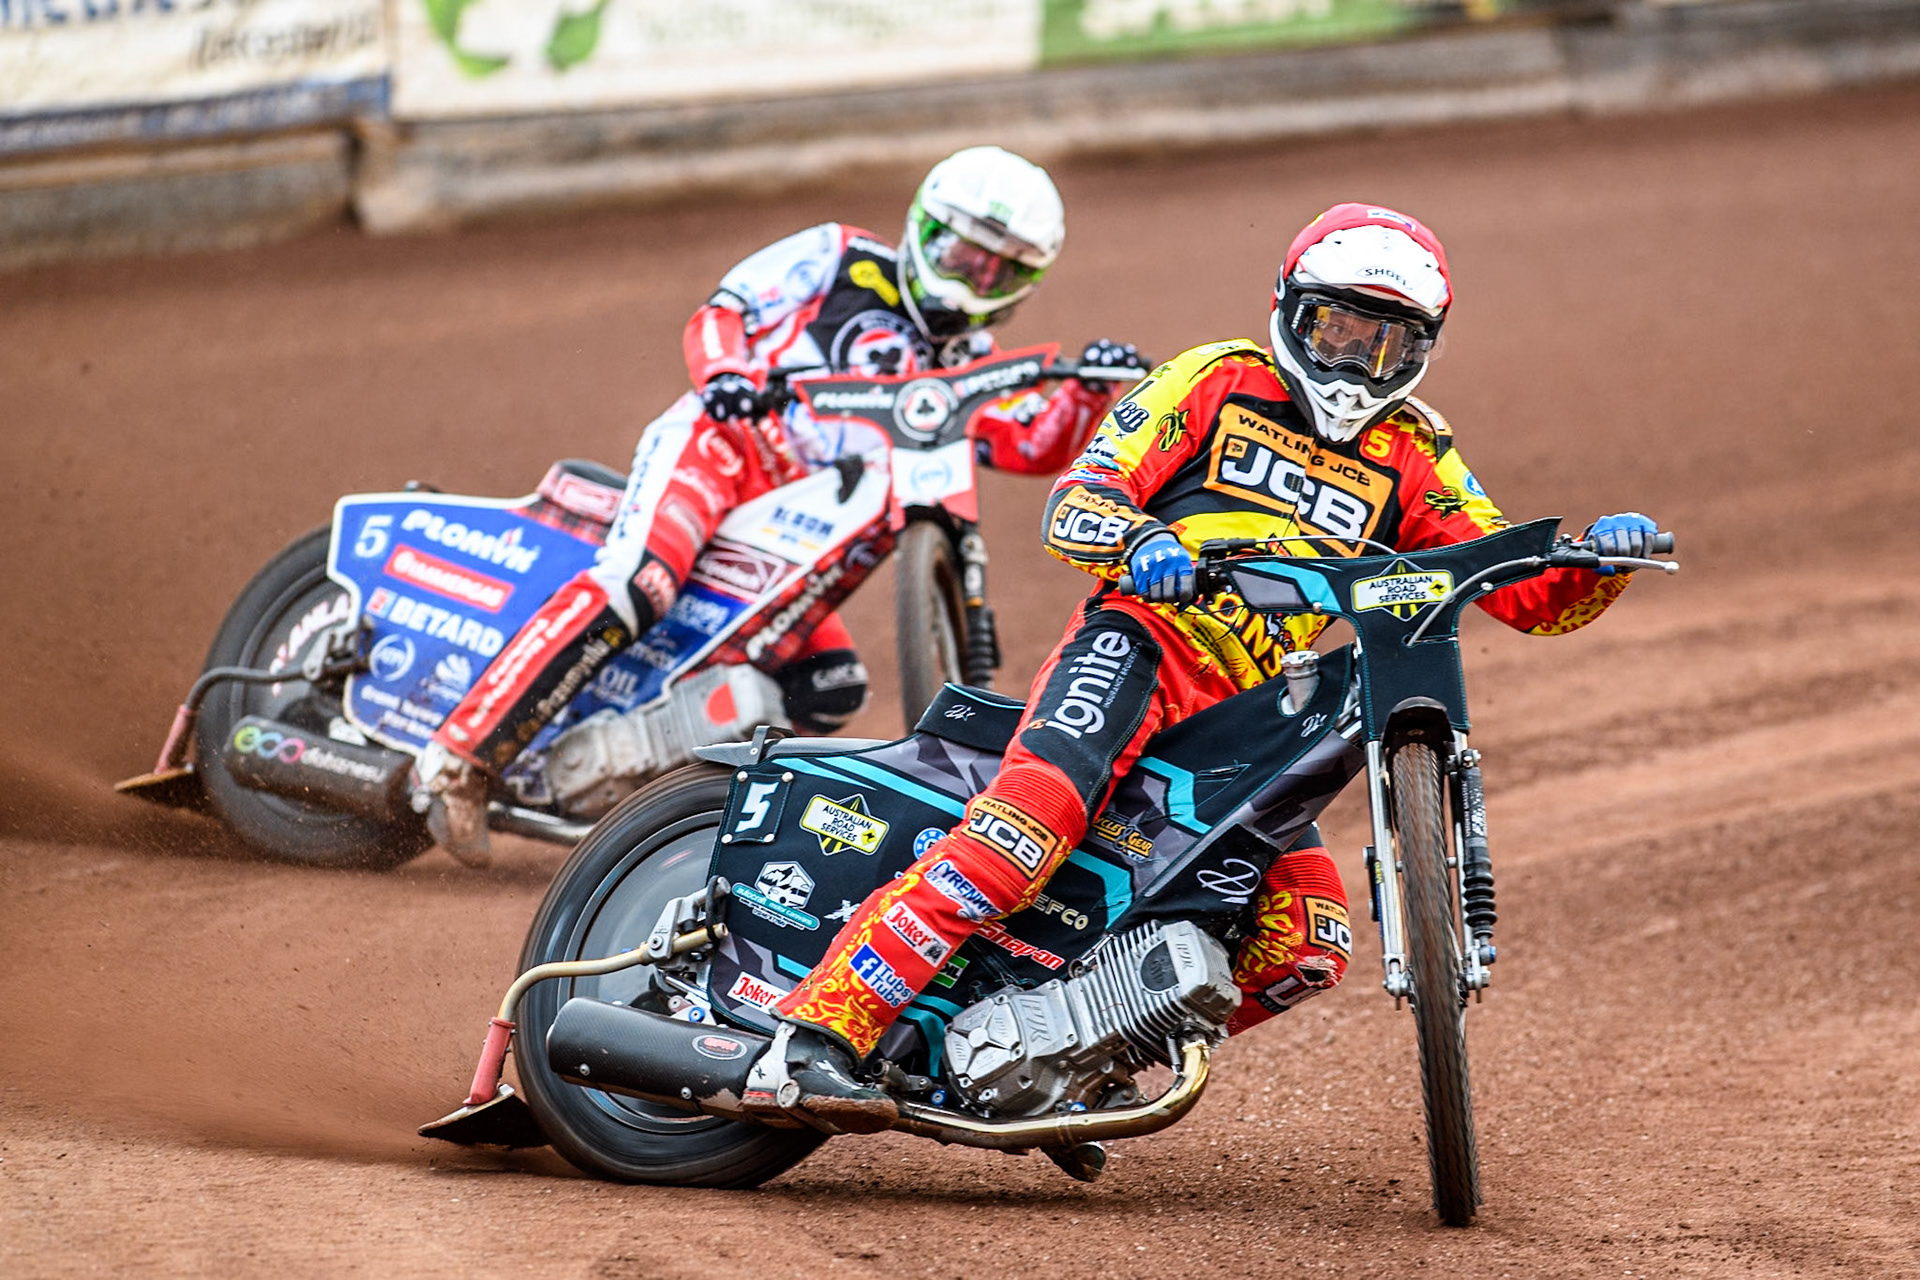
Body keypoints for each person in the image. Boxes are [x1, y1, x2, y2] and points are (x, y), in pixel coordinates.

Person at [753, 202, 1662, 1134]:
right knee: (1024, 835)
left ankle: (1067, 1061)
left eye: (1389, 344)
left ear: (1424, 347)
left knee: (1306, 941)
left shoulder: (1415, 451)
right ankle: (816, 1035)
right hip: (1139, 646)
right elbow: (1078, 499)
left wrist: (1598, 561)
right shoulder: (1217, 378)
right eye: (1337, 327)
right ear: (1291, 308)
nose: (1356, 361)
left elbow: (1519, 591)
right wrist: (1140, 537)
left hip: (1250, 715)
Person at [416, 145, 1140, 865]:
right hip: (722, 450)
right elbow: (721, 312)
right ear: (923, 227)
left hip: (794, 529)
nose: (975, 279)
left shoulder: (968, 362)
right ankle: (459, 758)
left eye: (1000, 271)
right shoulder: (838, 256)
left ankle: (641, 803)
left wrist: (1085, 392)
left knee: (829, 687)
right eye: (963, 254)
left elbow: (1025, 444)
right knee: (640, 584)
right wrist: (726, 373)